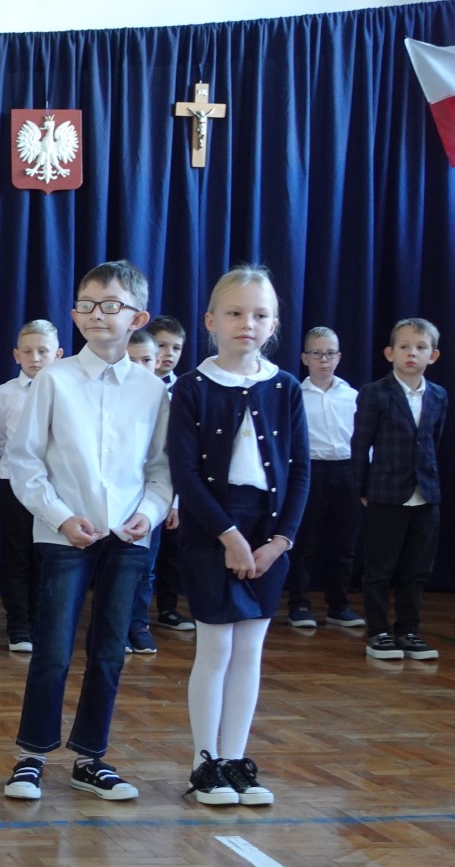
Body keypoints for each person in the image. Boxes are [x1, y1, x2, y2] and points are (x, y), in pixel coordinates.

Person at [3, 259, 171, 802]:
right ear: (74, 315)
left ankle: (90, 758)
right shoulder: (53, 379)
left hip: (128, 537)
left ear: (137, 317)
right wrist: (59, 516)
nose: (97, 314)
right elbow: (24, 461)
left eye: (111, 305)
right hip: (64, 535)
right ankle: (32, 755)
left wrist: (150, 511)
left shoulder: (151, 390)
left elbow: (160, 467)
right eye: (87, 305)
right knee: (52, 650)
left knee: (109, 651)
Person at [171, 267, 307, 806]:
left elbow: (300, 471)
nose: (247, 323)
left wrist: (280, 541)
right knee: (217, 646)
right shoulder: (193, 387)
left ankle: (234, 760)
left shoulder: (285, 387)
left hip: (267, 531)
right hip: (213, 528)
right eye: (235, 313)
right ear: (211, 321)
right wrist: (228, 537)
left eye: (259, 315)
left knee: (250, 648)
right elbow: (185, 473)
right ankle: (204, 761)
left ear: (273, 324)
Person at [352, 318, 445, 661]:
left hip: (426, 494)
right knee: (379, 568)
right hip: (385, 492)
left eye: (420, 348)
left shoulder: (438, 395)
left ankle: (409, 630)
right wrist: (361, 488)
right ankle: (379, 632)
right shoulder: (375, 392)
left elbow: (432, 440)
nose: (412, 353)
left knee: (417, 569)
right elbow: (360, 444)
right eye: (404, 347)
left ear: (433, 355)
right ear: (390, 353)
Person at [0, 319, 62, 652]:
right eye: (28, 351)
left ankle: (45, 623)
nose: (35, 358)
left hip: (56, 487)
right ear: (16, 355)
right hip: (15, 486)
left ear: (58, 355)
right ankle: (19, 625)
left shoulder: (67, 390)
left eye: (43, 351)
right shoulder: (3, 394)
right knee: (17, 555)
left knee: (49, 556)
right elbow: (0, 441)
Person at [287, 327, 364, 629]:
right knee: (304, 542)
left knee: (344, 544)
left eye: (330, 353)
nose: (324, 360)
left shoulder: (353, 396)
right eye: (317, 353)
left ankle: (339, 605)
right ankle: (299, 604)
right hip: (310, 470)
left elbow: (365, 440)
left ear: (339, 357)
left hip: (347, 471)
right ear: (305, 358)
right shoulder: (295, 394)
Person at [148, 316, 192, 632]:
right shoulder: (137, 387)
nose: (169, 354)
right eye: (162, 345)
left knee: (171, 552)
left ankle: (167, 608)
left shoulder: (185, 389)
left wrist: (176, 500)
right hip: (143, 480)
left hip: (176, 483)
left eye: (176, 348)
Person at [124, 329, 163, 655]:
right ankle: (116, 626)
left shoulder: (164, 399)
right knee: (115, 569)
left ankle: (138, 625)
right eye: (131, 360)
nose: (139, 367)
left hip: (152, 500)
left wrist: (171, 504)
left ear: (158, 361)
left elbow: (171, 460)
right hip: (117, 498)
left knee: (145, 569)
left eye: (146, 360)